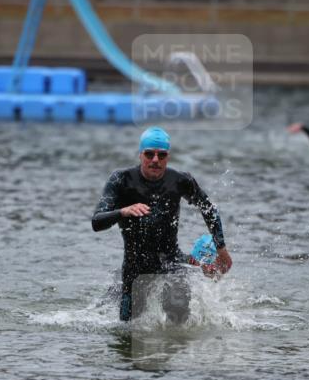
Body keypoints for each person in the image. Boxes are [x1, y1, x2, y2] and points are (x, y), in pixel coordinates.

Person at [92, 127, 232, 322]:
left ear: (168, 156)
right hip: (135, 267)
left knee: (180, 318)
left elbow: (209, 209)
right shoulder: (121, 180)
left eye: (161, 155)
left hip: (170, 261)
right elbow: (97, 221)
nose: (155, 160)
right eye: (149, 154)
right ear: (141, 154)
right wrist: (123, 211)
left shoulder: (181, 180)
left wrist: (222, 250)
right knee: (128, 330)